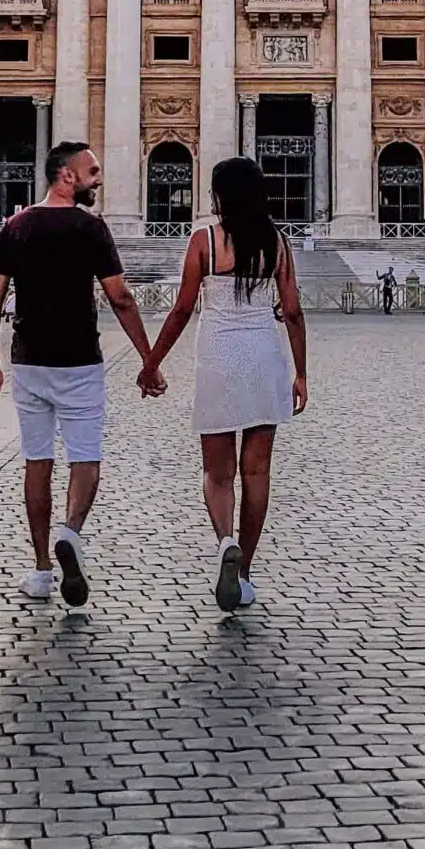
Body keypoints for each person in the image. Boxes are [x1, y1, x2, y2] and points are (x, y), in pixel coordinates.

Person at [0, 141, 158, 607]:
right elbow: (120, 297)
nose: (98, 179)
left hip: (29, 360)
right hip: (79, 360)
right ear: (66, 176)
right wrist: (148, 358)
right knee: (85, 457)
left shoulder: (15, 227)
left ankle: (41, 570)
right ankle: (71, 533)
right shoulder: (91, 228)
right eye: (92, 172)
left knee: (36, 462)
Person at [141, 157, 306, 613]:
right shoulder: (277, 243)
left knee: (218, 472)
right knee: (257, 473)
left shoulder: (204, 242)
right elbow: (291, 311)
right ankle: (246, 569)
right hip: (265, 358)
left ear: (218, 195)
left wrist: (151, 362)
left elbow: (180, 311)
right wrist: (301, 372)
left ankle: (225, 541)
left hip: (217, 357)